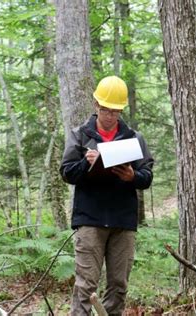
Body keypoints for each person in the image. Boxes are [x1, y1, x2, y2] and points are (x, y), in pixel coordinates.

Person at [60, 75, 154, 315]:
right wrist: (85, 163)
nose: (110, 116)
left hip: (123, 221)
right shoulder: (80, 135)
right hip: (90, 220)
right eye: (105, 110)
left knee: (118, 286)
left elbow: (147, 176)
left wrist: (132, 176)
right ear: (96, 105)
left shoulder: (134, 138)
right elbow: (67, 172)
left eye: (115, 111)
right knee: (85, 286)